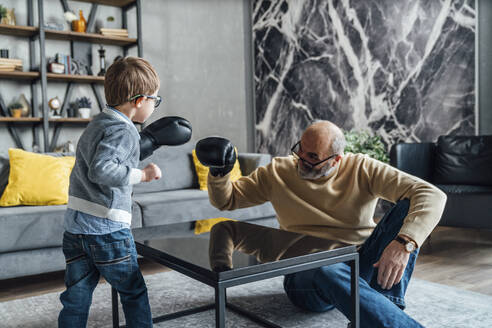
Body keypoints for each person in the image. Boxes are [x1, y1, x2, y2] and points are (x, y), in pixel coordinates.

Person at [195, 121, 447, 328]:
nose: (301, 159)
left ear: (336, 160)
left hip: (359, 260)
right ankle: (384, 316)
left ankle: (375, 314)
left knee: (407, 207)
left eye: (312, 156)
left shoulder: (360, 167)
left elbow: (432, 194)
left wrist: (404, 244)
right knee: (324, 265)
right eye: (299, 150)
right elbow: (227, 201)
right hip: (305, 274)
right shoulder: (278, 172)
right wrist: (220, 172)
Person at [58, 56, 192, 328]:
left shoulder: (97, 123)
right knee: (133, 293)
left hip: (76, 229)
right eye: (155, 100)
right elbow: (102, 170)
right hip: (107, 230)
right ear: (139, 101)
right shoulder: (125, 130)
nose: (155, 106)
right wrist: (142, 175)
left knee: (77, 296)